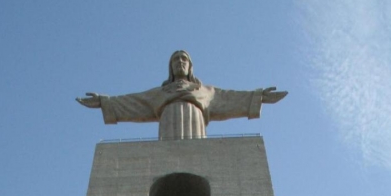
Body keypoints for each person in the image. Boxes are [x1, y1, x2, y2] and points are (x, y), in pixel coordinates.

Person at [77, 50, 287, 140]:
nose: (180, 62)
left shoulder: (205, 91)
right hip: (166, 134)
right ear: (170, 67)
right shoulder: (159, 93)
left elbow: (232, 98)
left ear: (190, 66)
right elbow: (132, 102)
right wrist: (104, 102)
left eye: (184, 59)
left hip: (197, 133)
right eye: (176, 60)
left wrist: (258, 96)